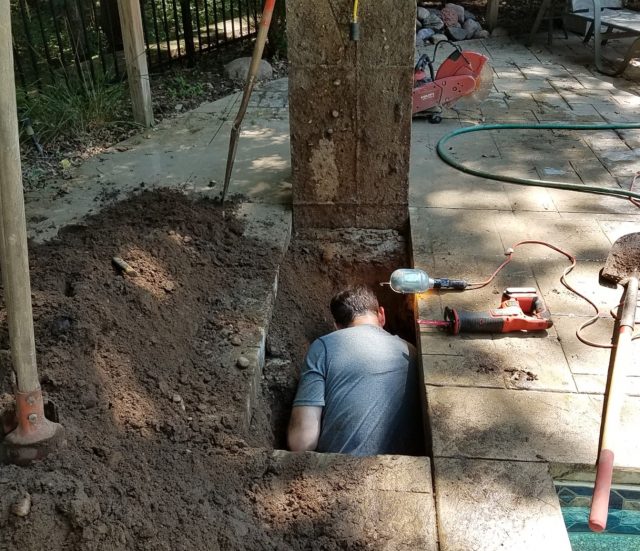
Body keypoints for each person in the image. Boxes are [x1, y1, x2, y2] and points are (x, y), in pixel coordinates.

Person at [287, 285, 423, 456]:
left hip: (339, 472)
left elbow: (302, 441)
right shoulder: (413, 352)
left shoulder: (323, 346)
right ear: (382, 314)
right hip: (408, 473)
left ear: (337, 326)